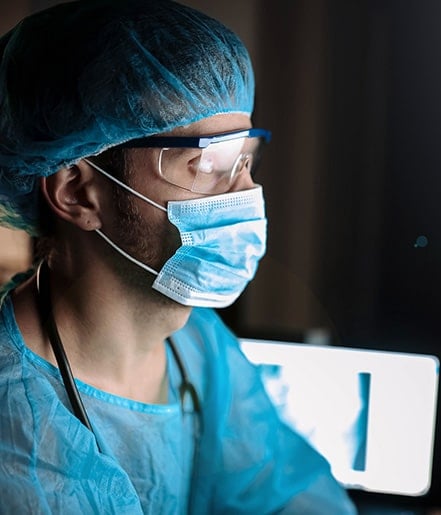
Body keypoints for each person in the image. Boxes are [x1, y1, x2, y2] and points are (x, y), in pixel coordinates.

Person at [0, 0, 357, 513]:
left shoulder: (195, 348)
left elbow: (286, 492)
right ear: (77, 192)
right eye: (206, 164)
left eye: (245, 160)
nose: (246, 194)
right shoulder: (22, 449)